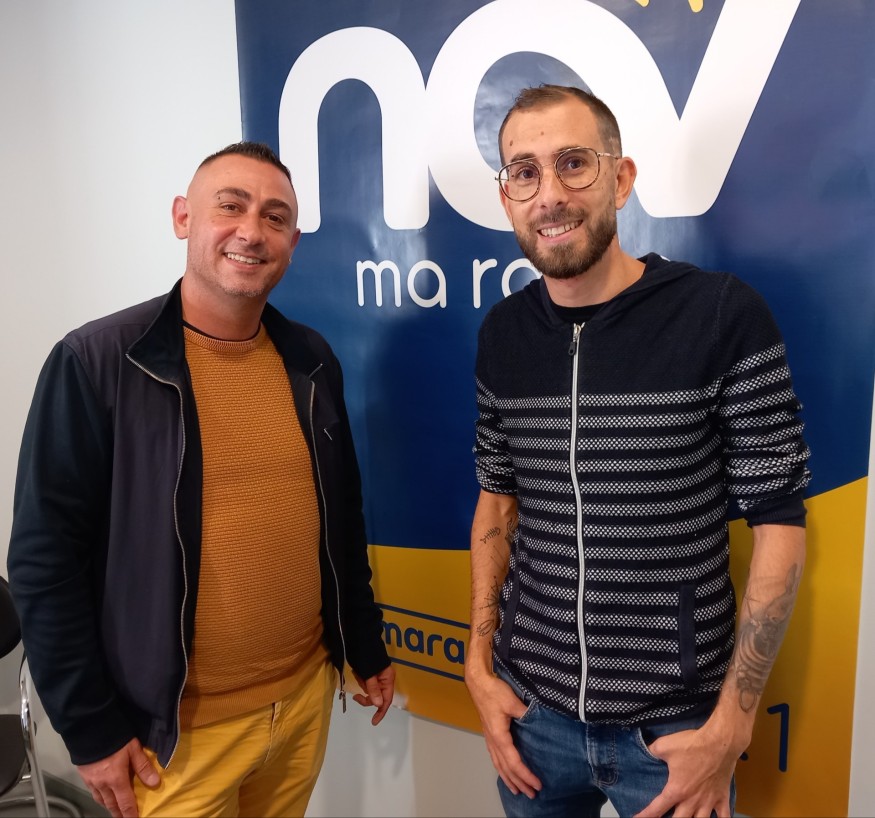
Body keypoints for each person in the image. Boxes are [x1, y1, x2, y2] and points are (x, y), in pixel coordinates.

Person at [7, 141, 395, 818]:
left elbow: (341, 517)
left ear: (293, 243)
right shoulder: (97, 363)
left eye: (275, 217)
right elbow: (45, 563)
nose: (252, 231)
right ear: (183, 217)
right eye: (231, 206)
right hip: (174, 740)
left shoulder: (310, 359)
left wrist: (362, 642)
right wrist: (91, 729)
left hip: (301, 705)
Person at [466, 85, 810, 818]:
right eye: (524, 172)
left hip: (675, 731)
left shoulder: (719, 313)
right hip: (532, 717)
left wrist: (731, 723)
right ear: (506, 198)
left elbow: (779, 520)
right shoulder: (502, 334)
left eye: (573, 163)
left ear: (620, 179)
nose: (549, 195)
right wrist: (476, 663)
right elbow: (496, 500)